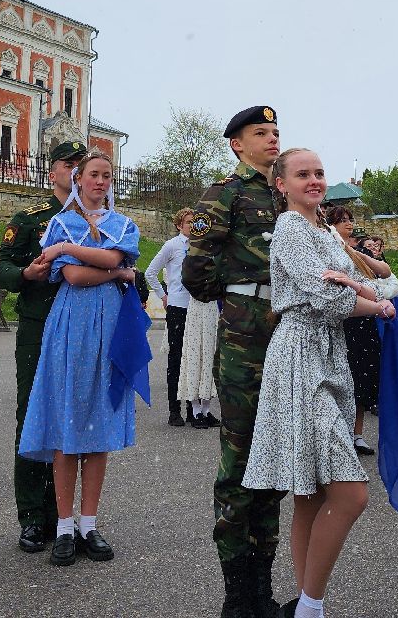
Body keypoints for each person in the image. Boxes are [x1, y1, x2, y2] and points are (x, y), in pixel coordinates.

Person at [243, 149, 397, 618]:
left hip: (329, 353)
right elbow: (328, 299)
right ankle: (310, 605)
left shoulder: (325, 230)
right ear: (281, 185)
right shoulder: (290, 228)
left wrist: (363, 290)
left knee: (310, 492)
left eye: (319, 173)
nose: (314, 180)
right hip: (301, 354)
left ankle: (308, 606)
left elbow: (379, 284)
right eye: (302, 174)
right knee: (350, 494)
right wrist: (368, 299)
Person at [180, 105, 284, 618]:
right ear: (237, 144)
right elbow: (196, 270)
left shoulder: (285, 193)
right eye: (260, 133)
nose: (271, 138)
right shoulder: (224, 193)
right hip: (246, 333)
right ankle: (237, 596)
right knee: (240, 457)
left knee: (276, 458)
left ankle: (262, 591)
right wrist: (240, 298)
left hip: (288, 333)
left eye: (275, 132)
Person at [18, 151, 143, 567]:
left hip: (109, 324)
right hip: (70, 323)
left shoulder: (122, 225)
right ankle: (65, 525)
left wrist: (69, 249)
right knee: (68, 422)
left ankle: (90, 523)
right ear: (79, 179)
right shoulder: (60, 220)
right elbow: (74, 277)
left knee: (99, 425)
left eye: (107, 175)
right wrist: (119, 272)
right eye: (94, 175)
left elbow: (109, 257)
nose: (101, 181)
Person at [0, 139, 89, 552]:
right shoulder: (32, 219)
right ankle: (34, 515)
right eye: (68, 164)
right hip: (40, 324)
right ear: (52, 171)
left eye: (80, 165)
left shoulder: (97, 219)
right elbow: (2, 267)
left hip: (84, 329)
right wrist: (27, 274)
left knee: (77, 420)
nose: (74, 171)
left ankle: (70, 518)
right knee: (34, 416)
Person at [325, 205, 388, 456]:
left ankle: (357, 433)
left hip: (363, 322)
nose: (349, 224)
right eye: (342, 220)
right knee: (343, 379)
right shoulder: (326, 249)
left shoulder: (355, 250)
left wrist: (351, 250)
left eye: (350, 219)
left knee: (361, 380)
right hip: (343, 319)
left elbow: (384, 271)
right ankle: (339, 435)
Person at [146, 208, 197, 427]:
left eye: (194, 222)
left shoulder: (200, 246)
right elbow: (150, 272)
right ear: (179, 225)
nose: (191, 226)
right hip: (177, 306)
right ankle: (174, 410)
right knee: (176, 359)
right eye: (187, 222)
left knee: (194, 359)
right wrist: (163, 296)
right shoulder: (172, 246)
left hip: (196, 307)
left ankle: (194, 409)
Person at [179, 251, 221, 431]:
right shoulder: (191, 256)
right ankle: (195, 410)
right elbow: (188, 279)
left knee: (210, 355)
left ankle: (206, 408)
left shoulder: (217, 252)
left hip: (212, 308)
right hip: (197, 307)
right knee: (195, 354)